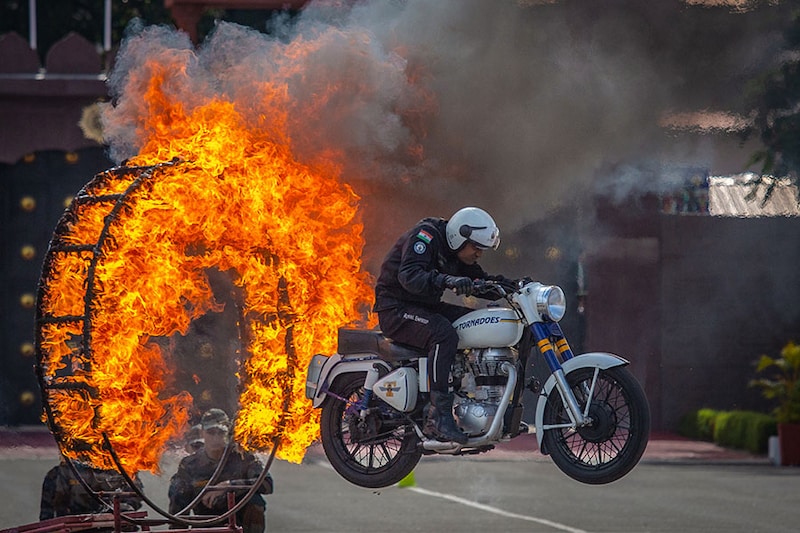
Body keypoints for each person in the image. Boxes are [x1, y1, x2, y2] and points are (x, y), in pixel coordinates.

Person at [373, 206, 514, 444]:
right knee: (443, 334)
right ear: (460, 238)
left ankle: (472, 395)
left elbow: (479, 280)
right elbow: (409, 276)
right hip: (396, 309)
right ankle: (438, 417)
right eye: (476, 247)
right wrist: (447, 280)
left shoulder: (458, 254)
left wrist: (512, 286)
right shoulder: (426, 236)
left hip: (423, 308)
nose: (479, 253)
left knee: (472, 322)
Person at [168, 409, 274, 533]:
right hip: (205, 522)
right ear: (202, 433)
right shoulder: (190, 464)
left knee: (255, 501)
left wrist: (228, 486)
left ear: (228, 434)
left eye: (221, 433)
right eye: (211, 432)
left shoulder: (242, 456)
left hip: (238, 521)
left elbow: (267, 484)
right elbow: (179, 505)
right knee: (177, 488)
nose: (216, 438)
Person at [39, 458, 144, 520]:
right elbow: (47, 515)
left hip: (114, 526)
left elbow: (135, 495)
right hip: (74, 528)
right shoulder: (59, 474)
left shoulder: (121, 470)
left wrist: (125, 508)